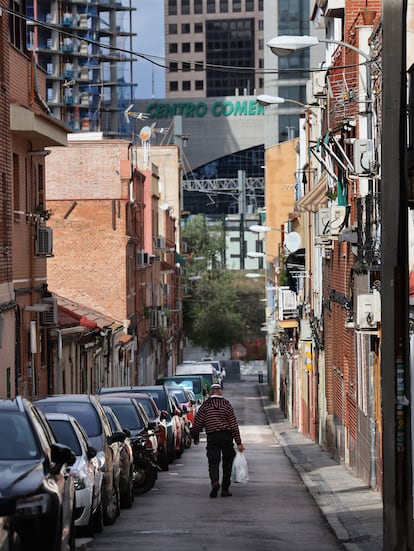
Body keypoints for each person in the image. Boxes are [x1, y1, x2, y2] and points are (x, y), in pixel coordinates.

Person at [191, 383, 245, 498]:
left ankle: (215, 482)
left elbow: (198, 422)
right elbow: (233, 424)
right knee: (227, 463)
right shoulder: (226, 404)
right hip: (226, 437)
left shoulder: (206, 405)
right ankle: (225, 489)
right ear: (220, 392)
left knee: (213, 462)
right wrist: (239, 442)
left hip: (213, 437)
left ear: (211, 392)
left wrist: (195, 436)